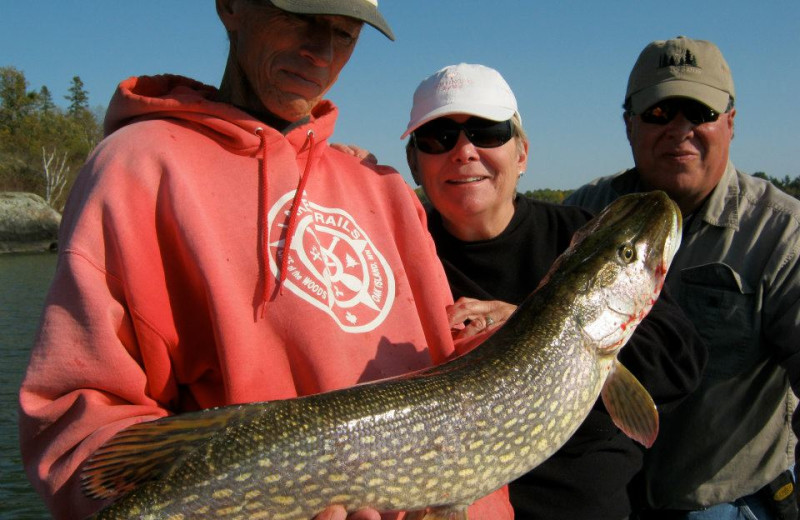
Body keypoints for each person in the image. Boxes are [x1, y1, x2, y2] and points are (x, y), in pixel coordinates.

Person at [17, 3, 512, 520]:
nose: (321, 50)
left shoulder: (383, 188)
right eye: (301, 16)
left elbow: (433, 344)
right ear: (231, 6)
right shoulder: (137, 169)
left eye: (344, 32)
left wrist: (498, 335)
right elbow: (83, 420)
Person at [401, 62, 707, 520]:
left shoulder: (581, 237)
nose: (464, 151)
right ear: (415, 165)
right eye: (438, 137)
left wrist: (536, 325)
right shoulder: (394, 257)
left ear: (521, 153)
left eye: (488, 132)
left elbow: (681, 363)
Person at [566, 36, 800, 519]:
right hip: (606, 501)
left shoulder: (781, 233)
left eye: (699, 112)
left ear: (730, 123)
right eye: (658, 113)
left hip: (721, 503)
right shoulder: (583, 214)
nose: (679, 130)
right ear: (629, 124)